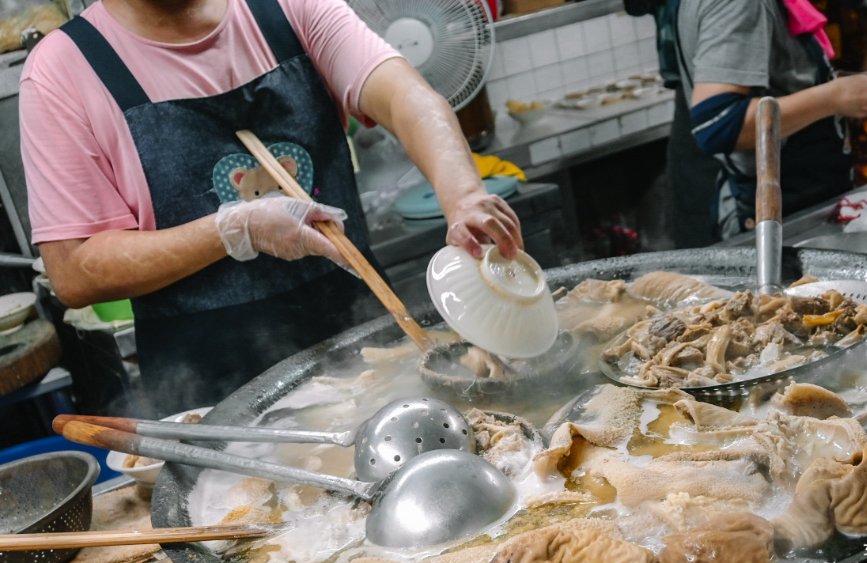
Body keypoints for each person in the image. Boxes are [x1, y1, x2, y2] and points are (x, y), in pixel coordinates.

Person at [19, 0, 523, 415]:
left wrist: (463, 197)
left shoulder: (288, 7)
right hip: (214, 391)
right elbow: (75, 270)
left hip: (369, 347)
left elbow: (405, 96)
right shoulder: (65, 70)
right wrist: (235, 229)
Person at [669, 0, 867, 239]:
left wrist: (851, 85)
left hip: (802, 203)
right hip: (777, 214)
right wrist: (833, 97)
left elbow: (777, 83)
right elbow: (719, 125)